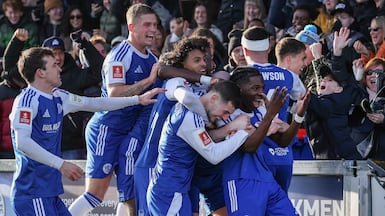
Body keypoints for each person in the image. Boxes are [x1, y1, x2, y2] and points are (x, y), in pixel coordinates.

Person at [9, 46, 163, 215]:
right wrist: (61, 164)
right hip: (32, 193)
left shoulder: (59, 97)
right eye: (54, 65)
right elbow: (23, 142)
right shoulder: (26, 101)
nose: (60, 68)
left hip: (49, 192)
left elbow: (95, 103)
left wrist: (137, 100)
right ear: (41, 72)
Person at [68, 3, 160, 216]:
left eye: (155, 25)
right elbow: (114, 94)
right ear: (132, 27)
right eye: (147, 24)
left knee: (128, 194)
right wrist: (148, 81)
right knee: (95, 194)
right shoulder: (119, 55)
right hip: (107, 129)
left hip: (130, 133)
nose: (153, 30)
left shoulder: (153, 59)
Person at [147, 80, 253, 215]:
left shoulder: (196, 105)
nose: (224, 117)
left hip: (175, 189)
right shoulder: (189, 117)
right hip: (170, 192)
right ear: (214, 98)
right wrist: (244, 133)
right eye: (225, 111)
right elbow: (213, 155)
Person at [218, 66, 309, 215]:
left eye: (262, 88)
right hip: (242, 181)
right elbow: (249, 147)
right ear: (238, 89)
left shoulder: (260, 111)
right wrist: (270, 115)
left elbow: (283, 141)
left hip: (267, 179)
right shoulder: (228, 115)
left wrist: (298, 116)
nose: (261, 93)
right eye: (255, 88)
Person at [305, 27, 365, 159]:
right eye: (323, 78)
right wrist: (336, 53)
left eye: (330, 80)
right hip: (333, 162)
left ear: (339, 90)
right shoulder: (328, 98)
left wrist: (289, 75)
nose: (323, 80)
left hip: (344, 163)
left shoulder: (335, 103)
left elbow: (307, 96)